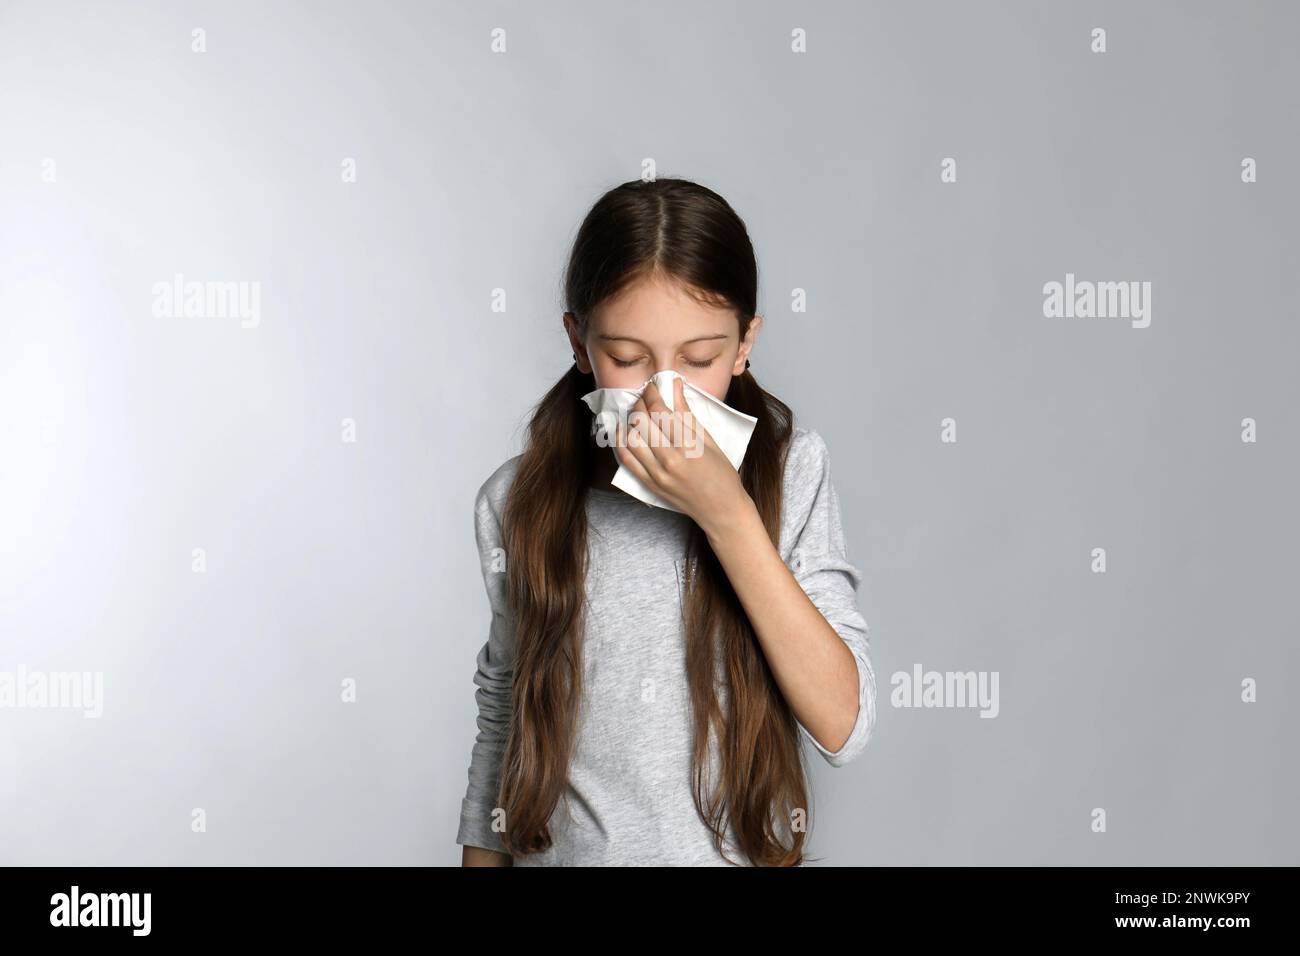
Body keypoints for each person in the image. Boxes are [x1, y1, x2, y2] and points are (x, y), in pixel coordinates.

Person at [456, 177, 876, 866]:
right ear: (579, 342)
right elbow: (503, 715)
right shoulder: (515, 503)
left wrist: (727, 514)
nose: (663, 393)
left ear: (744, 345)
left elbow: (843, 726)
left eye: (700, 359)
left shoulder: (793, 469)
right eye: (626, 359)